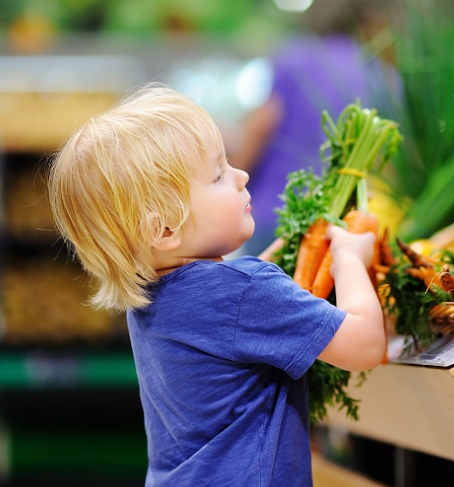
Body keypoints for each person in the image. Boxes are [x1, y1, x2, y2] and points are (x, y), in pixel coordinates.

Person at [47, 83, 385, 486]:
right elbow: (364, 345)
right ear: (166, 229)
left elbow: (226, 318)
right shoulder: (245, 291)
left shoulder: (152, 298)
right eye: (219, 174)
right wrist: (349, 258)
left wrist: (265, 268)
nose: (242, 175)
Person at [230, 0, 396, 256]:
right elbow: (386, 166)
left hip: (272, 213)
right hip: (340, 226)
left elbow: (260, 128)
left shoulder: (297, 56)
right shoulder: (384, 77)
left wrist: (229, 183)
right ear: (370, 22)